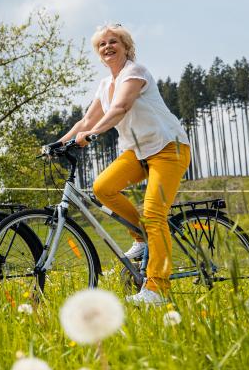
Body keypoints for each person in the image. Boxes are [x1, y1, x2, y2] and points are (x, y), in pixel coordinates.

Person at [58, 24, 191, 305]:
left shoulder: (135, 72)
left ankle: (157, 289)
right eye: (102, 44)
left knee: (155, 214)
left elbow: (120, 108)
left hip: (169, 148)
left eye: (113, 41)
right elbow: (86, 121)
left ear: (126, 46)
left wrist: (92, 135)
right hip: (138, 152)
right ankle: (141, 239)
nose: (108, 47)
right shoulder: (105, 85)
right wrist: (60, 143)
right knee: (102, 188)